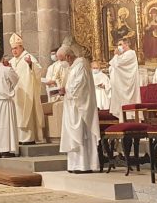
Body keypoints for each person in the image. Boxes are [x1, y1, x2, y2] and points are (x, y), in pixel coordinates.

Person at [58, 39, 101, 173]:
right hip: (72, 106)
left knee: (81, 135)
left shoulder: (81, 65)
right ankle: (74, 165)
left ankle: (84, 165)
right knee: (73, 136)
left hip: (80, 107)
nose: (61, 63)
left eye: (62, 59)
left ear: (68, 57)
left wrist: (66, 90)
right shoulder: (72, 67)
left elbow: (79, 85)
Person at [9, 33, 46, 144]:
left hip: (27, 92)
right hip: (16, 92)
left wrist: (30, 65)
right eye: (12, 49)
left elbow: (38, 70)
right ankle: (18, 138)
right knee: (17, 114)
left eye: (16, 48)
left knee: (26, 113)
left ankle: (28, 138)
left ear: (21, 47)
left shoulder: (28, 57)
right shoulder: (12, 61)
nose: (14, 51)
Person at [108, 38, 141, 120]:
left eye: (120, 44)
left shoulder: (131, 53)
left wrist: (116, 55)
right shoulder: (122, 55)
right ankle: (123, 119)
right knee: (121, 102)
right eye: (118, 45)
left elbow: (117, 64)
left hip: (128, 83)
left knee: (128, 102)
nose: (118, 47)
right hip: (121, 84)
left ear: (126, 44)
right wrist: (117, 56)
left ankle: (131, 119)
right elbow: (112, 64)